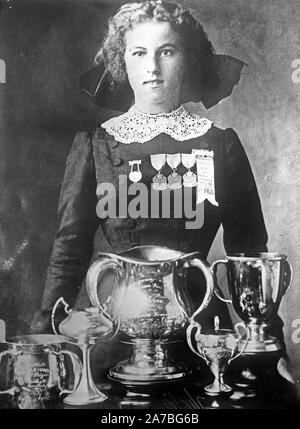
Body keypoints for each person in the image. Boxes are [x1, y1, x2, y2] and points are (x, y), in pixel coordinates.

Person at [31, 1, 284, 369]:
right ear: (122, 63)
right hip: (115, 332)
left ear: (188, 59)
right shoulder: (95, 145)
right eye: (138, 53)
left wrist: (271, 345)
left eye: (166, 51)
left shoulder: (219, 144)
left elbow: (249, 253)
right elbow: (69, 250)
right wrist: (44, 339)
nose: (152, 67)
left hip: (203, 334)